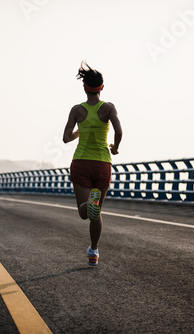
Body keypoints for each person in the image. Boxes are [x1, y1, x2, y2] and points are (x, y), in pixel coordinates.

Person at [62, 61, 123, 266]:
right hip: (102, 163)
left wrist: (80, 131)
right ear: (102, 87)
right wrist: (114, 148)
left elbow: (65, 138)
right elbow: (119, 131)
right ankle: (94, 251)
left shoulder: (77, 110)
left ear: (84, 87)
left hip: (81, 162)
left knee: (83, 212)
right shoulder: (108, 108)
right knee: (96, 214)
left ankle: (88, 203)